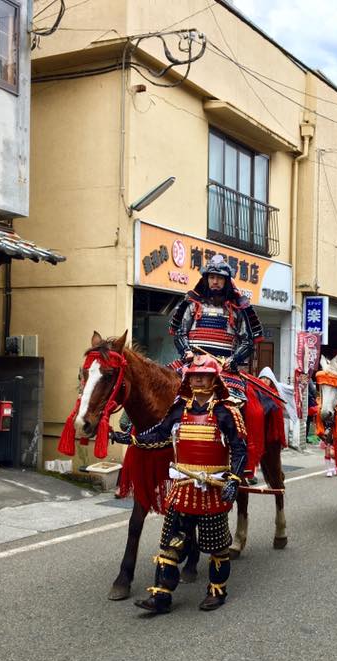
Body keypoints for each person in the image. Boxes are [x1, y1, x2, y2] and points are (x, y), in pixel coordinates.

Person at [125, 355, 246, 613]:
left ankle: (217, 590)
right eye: (193, 375)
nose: (198, 379)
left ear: (215, 379)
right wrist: (132, 439)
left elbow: (239, 448)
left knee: (216, 547)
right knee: (170, 543)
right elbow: (159, 432)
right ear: (187, 379)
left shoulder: (227, 411)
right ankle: (161, 596)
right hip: (183, 488)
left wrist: (234, 480)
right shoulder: (180, 409)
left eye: (203, 375)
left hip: (212, 488)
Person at [169, 254, 262, 401]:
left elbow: (248, 341)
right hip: (193, 363)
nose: (215, 282)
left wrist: (233, 360)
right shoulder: (193, 303)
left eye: (219, 278)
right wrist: (186, 351)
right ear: (206, 279)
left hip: (223, 367)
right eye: (212, 277)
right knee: (159, 387)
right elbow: (180, 332)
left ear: (226, 281)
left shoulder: (237, 308)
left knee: (236, 402)